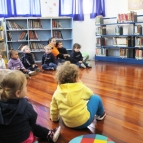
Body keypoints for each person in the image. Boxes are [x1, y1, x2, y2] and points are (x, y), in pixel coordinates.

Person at [0, 70, 61, 143]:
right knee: (33, 126)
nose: (26, 88)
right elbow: (33, 120)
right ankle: (49, 134)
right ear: (18, 93)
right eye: (25, 86)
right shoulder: (26, 106)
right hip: (25, 140)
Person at [50, 61, 106, 129]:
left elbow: (54, 109)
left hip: (68, 123)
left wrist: (54, 119)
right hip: (84, 122)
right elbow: (91, 95)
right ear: (76, 78)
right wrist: (80, 83)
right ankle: (100, 115)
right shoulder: (81, 88)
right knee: (96, 98)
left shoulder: (57, 93)